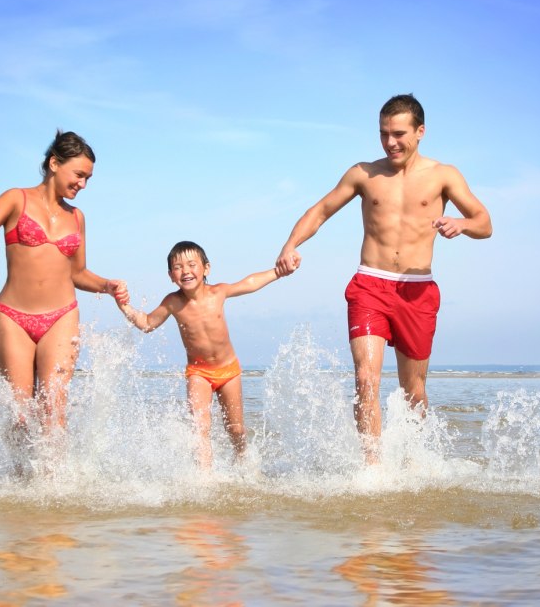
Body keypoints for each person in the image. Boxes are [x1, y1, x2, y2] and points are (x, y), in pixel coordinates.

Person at [275, 94, 492, 464]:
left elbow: (484, 223)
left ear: (420, 132)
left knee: (414, 391)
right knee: (366, 380)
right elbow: (321, 210)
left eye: (399, 133)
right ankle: (372, 470)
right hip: (369, 285)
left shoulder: (444, 175)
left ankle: (411, 462)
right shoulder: (364, 173)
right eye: (383, 134)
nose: (390, 142)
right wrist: (290, 244)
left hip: (417, 290)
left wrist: (462, 224)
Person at [0, 130, 128, 442]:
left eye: (88, 178)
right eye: (78, 175)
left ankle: (54, 487)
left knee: (54, 411)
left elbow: (78, 273)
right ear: (53, 163)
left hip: (61, 318)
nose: (83, 184)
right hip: (13, 318)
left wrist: (107, 285)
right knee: (21, 415)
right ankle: (22, 486)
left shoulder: (77, 217)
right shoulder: (15, 199)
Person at [115, 241, 281, 469]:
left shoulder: (218, 292)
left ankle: (242, 457)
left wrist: (277, 272)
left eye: (192, 264)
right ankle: (205, 478)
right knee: (200, 428)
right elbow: (147, 323)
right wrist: (124, 307)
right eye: (178, 267)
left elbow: (249, 284)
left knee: (236, 429)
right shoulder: (173, 302)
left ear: (206, 268)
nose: (185, 271)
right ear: (171, 275)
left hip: (229, 371)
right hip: (199, 373)